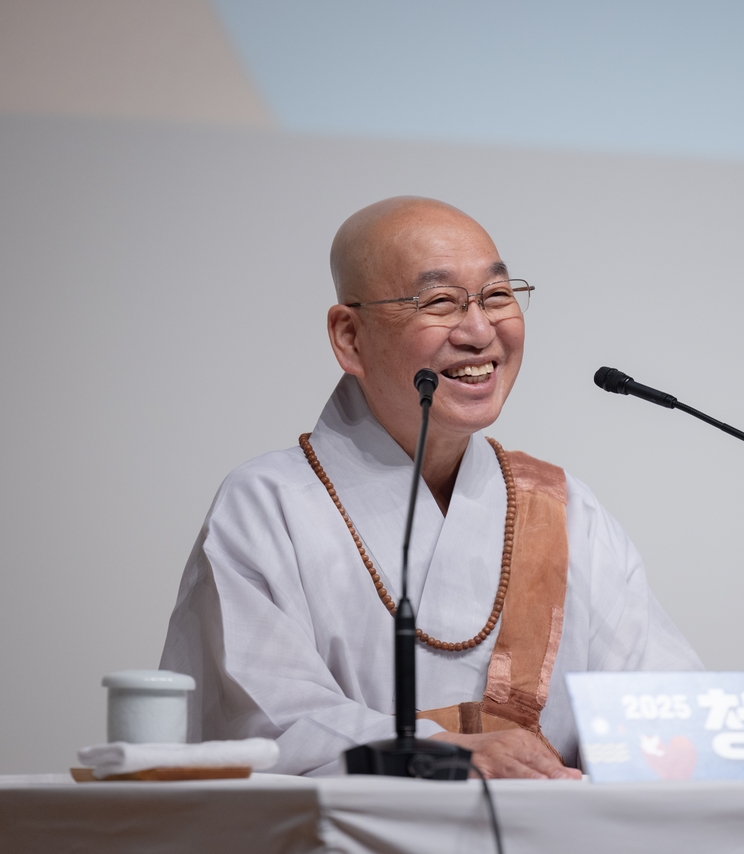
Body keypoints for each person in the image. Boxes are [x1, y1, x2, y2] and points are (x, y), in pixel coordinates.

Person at [160, 197, 701, 778]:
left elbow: (664, 708)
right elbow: (267, 722)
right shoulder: (270, 506)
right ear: (350, 337)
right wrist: (437, 753)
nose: (478, 331)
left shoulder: (563, 510)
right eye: (439, 302)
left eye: (497, 296)